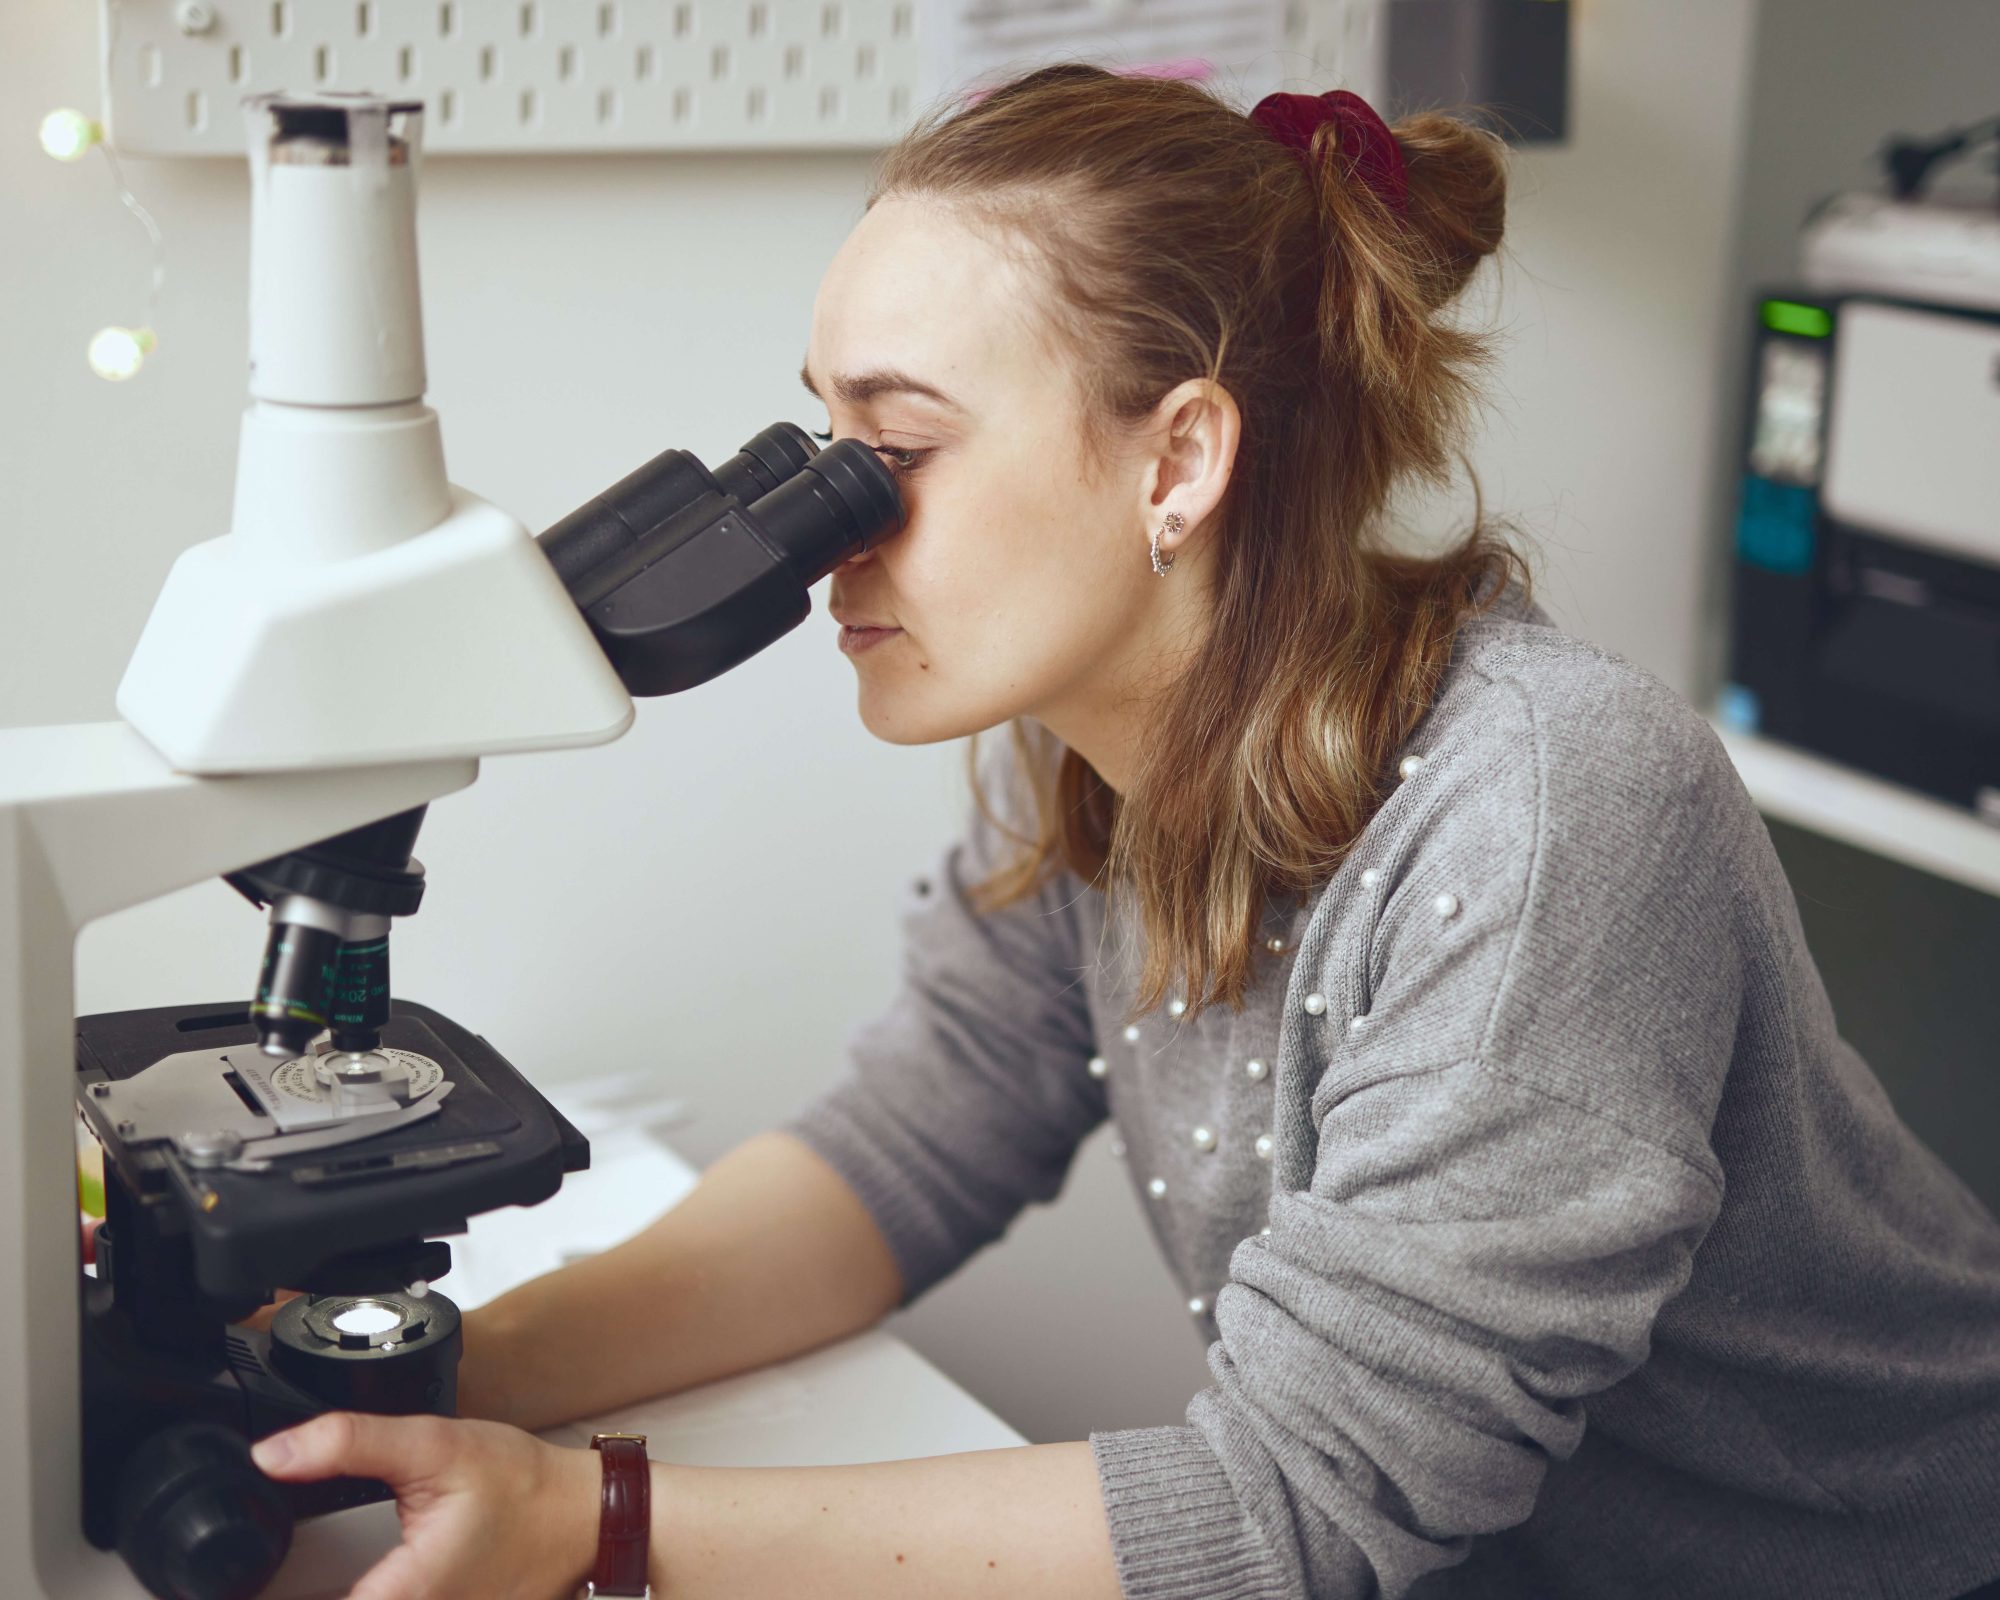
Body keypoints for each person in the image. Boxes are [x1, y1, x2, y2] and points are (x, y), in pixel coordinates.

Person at [251, 65, 2000, 1600]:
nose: (823, 537)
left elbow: (1299, 1507)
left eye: (897, 447)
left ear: (1177, 463)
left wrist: (596, 1517)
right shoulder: (1087, 761)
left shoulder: (1550, 805)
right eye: (821, 437)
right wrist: (443, 1378)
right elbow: (906, 1150)